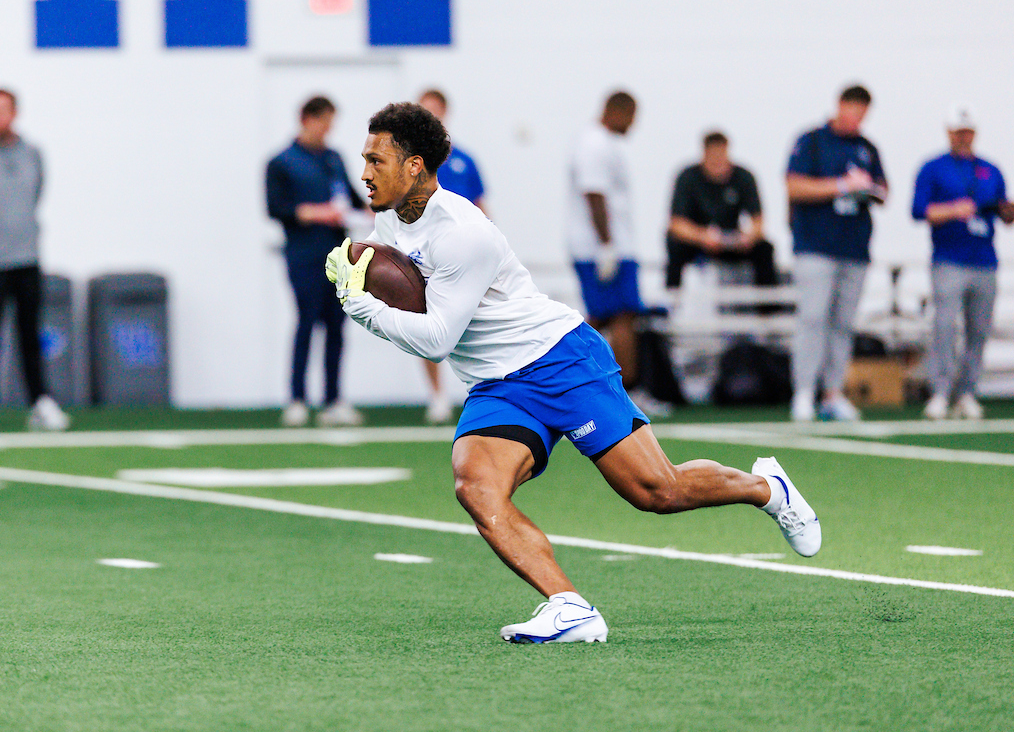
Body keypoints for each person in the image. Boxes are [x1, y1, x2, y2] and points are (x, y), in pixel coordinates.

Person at [326, 102, 821, 643]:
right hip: (499, 384)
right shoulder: (388, 220)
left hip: (559, 359)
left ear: (415, 166)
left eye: (376, 160)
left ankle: (766, 488)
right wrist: (361, 274)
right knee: (476, 485)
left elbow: (438, 339)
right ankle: (570, 607)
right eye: (365, 159)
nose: (365, 172)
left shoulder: (464, 233)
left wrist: (362, 306)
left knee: (657, 491)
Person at [0, 89, 70, 433]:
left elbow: (37, 193)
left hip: (27, 257)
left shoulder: (32, 154)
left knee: (29, 332)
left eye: (2, 111)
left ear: (15, 113)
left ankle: (40, 400)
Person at [786, 85, 887, 422]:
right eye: (853, 111)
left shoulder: (866, 147)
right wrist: (842, 186)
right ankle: (803, 392)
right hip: (816, 247)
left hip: (854, 248)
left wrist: (867, 190)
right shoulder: (812, 141)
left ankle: (832, 392)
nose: (857, 119)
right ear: (840, 106)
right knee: (813, 320)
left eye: (863, 114)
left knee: (843, 324)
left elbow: (883, 190)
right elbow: (795, 186)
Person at [912, 105, 1014, 420]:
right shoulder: (933, 168)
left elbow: (1001, 211)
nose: (964, 137)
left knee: (979, 328)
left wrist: (1010, 212)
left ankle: (968, 391)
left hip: (984, 259)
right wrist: (953, 210)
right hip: (949, 259)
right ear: (949, 133)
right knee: (944, 326)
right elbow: (920, 211)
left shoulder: (990, 169)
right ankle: (941, 392)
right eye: (958, 131)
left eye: (968, 131)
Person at [266, 96, 366, 427]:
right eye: (324, 122)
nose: (328, 129)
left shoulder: (334, 158)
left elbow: (352, 197)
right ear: (306, 119)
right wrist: (315, 212)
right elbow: (276, 208)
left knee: (337, 325)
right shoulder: (282, 162)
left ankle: (333, 399)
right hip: (304, 255)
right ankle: (296, 398)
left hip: (339, 255)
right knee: (306, 321)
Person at [566, 91, 663, 414]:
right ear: (618, 112)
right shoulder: (595, 144)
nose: (634, 124)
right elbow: (594, 195)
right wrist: (607, 245)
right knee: (623, 316)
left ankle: (576, 384)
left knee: (606, 317)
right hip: (603, 248)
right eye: (632, 116)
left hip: (609, 246)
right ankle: (626, 392)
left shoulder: (603, 143)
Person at [415, 88, 488, 424]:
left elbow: (481, 207)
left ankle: (485, 387)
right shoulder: (409, 164)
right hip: (426, 253)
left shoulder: (464, 160)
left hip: (465, 254)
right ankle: (437, 395)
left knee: (477, 322)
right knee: (430, 324)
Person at [665, 131, 779, 290]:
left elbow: (758, 221)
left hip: (731, 240)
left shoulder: (743, 177)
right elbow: (676, 224)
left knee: (764, 249)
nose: (718, 160)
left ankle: (769, 309)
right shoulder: (688, 177)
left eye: (721, 154)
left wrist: (748, 237)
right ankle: (671, 302)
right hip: (697, 241)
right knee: (674, 245)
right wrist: (702, 236)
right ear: (704, 153)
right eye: (713, 155)